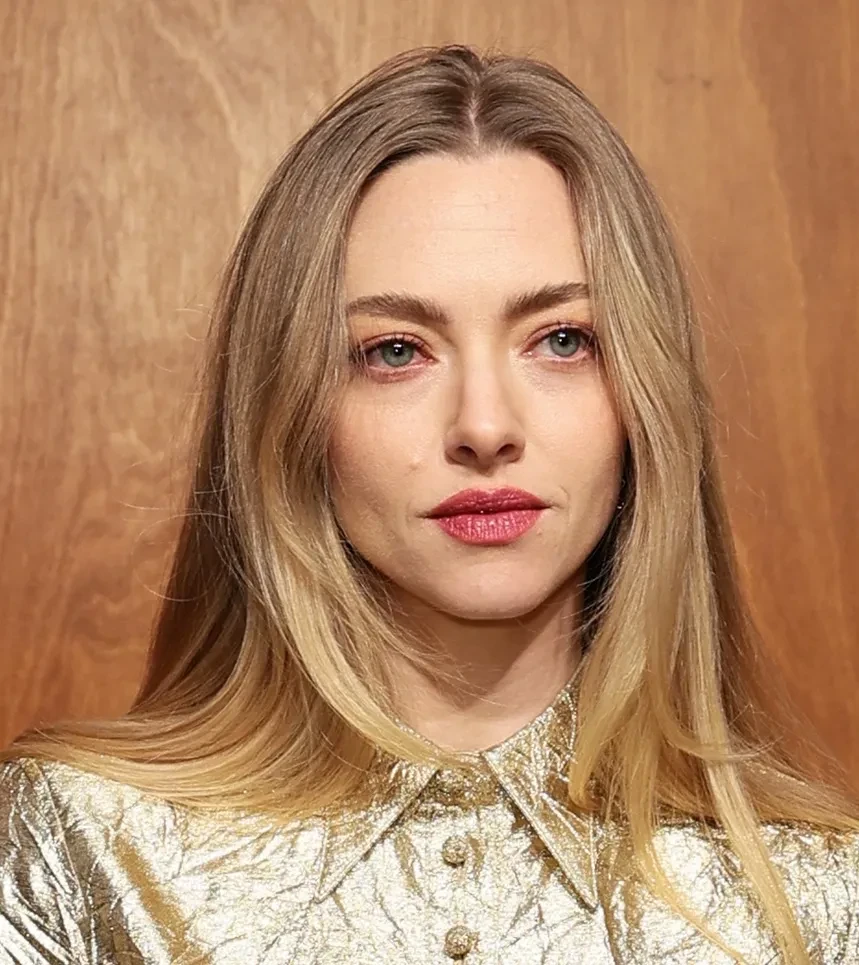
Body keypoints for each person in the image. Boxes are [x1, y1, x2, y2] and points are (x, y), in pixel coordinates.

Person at [0, 43, 856, 965]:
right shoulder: (84, 847)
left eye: (561, 339)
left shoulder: (815, 898)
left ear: (644, 396)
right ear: (290, 411)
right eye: (396, 351)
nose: (484, 426)